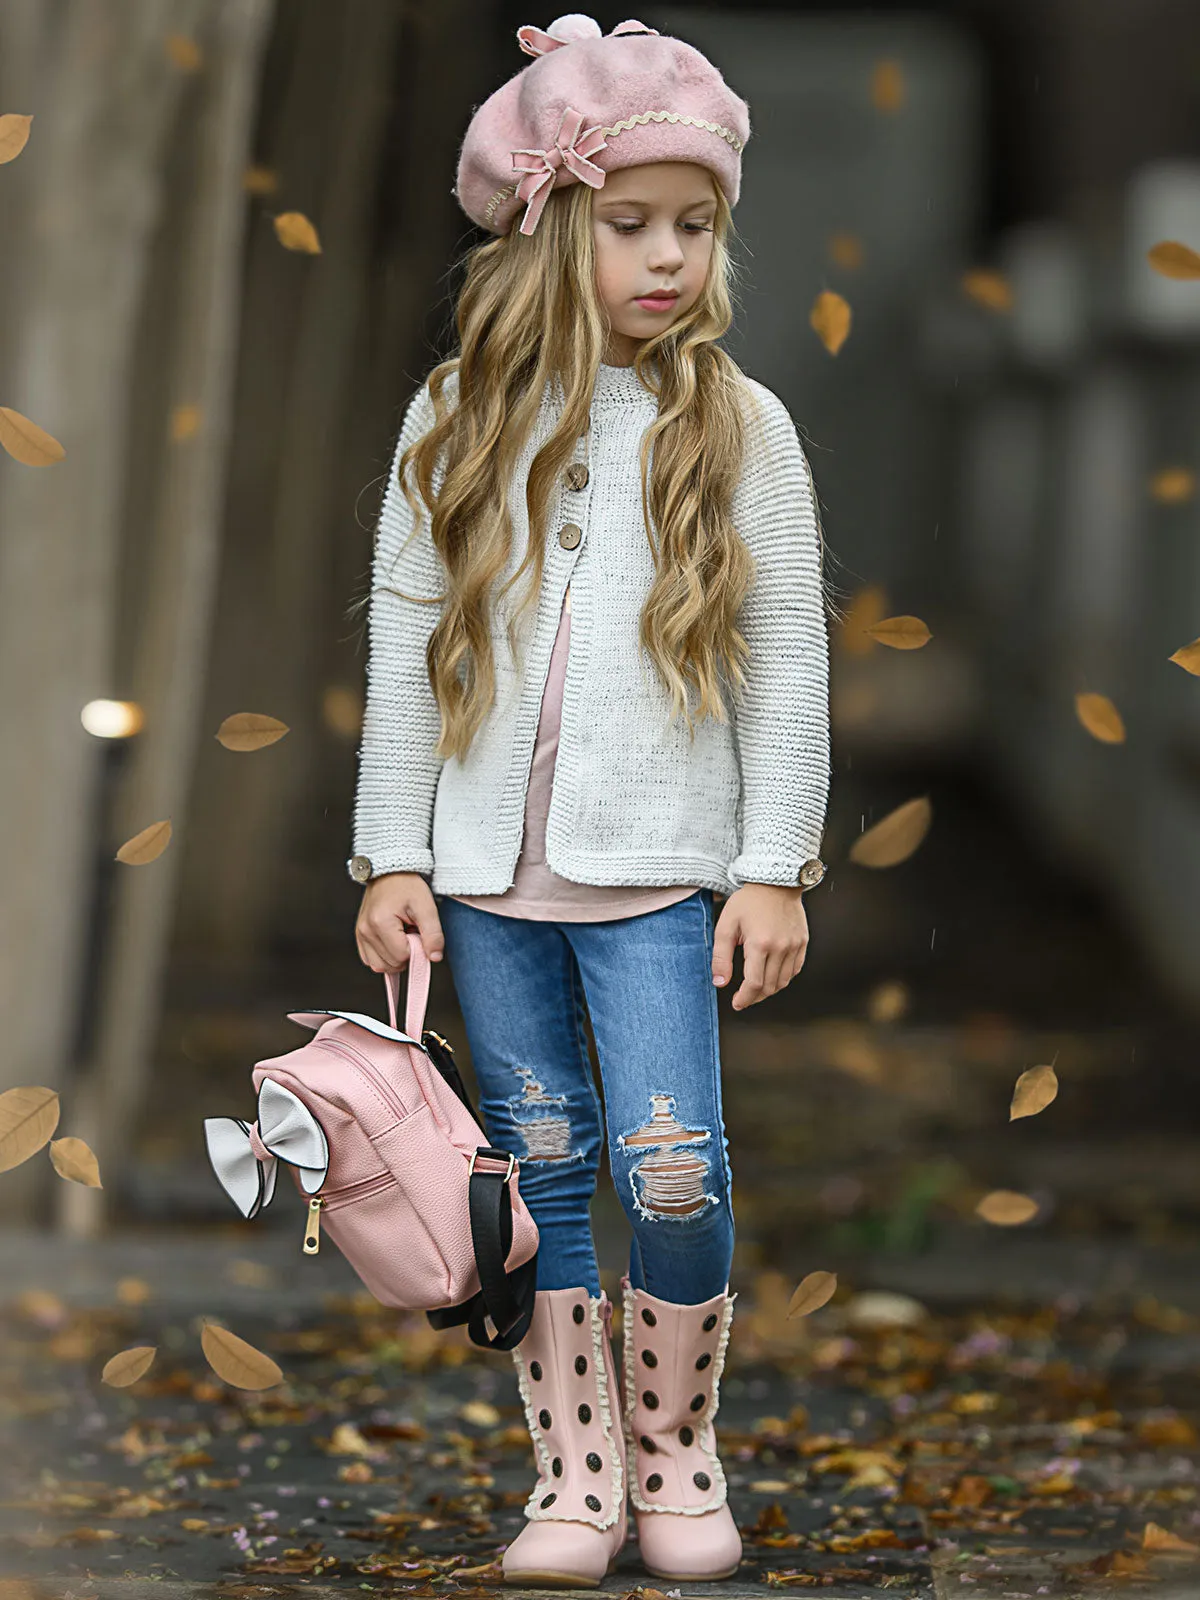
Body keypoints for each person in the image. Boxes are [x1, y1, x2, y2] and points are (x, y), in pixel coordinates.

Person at [346, 13, 833, 1588]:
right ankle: (577, 1476)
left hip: (658, 878)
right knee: (539, 1167)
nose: (669, 258)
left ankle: (678, 1450)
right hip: (488, 881)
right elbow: (407, 648)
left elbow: (786, 665)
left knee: (671, 1160)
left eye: (696, 228)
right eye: (631, 226)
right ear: (549, 229)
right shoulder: (456, 419)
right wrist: (394, 852)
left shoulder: (739, 428)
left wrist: (775, 866)